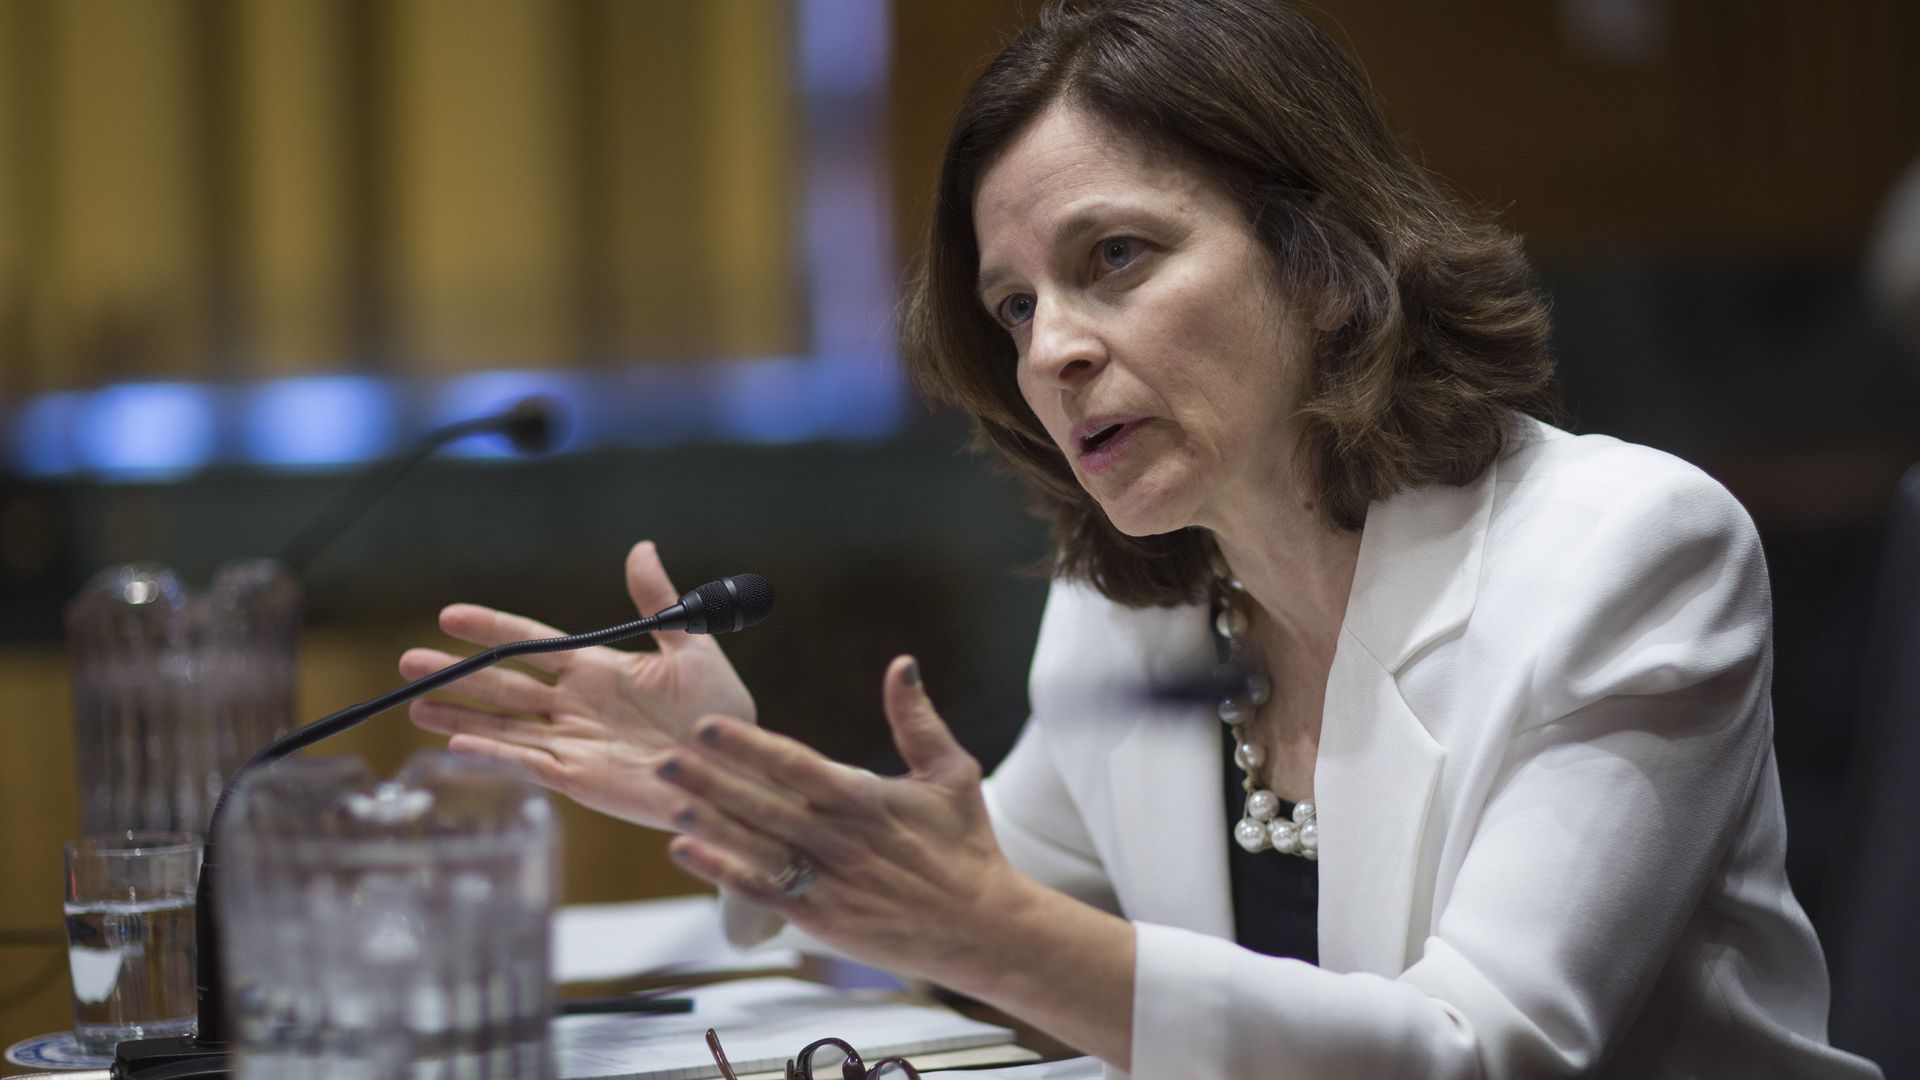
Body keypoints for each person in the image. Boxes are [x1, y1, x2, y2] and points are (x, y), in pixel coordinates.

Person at [399, 2, 1880, 1076]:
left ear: (1324, 257)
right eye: (1018, 308)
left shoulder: (1627, 554)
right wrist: (746, 790)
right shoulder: (1139, 604)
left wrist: (988, 931)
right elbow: (988, 908)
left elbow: (1478, 1053)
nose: (1055, 350)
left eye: (1115, 258)